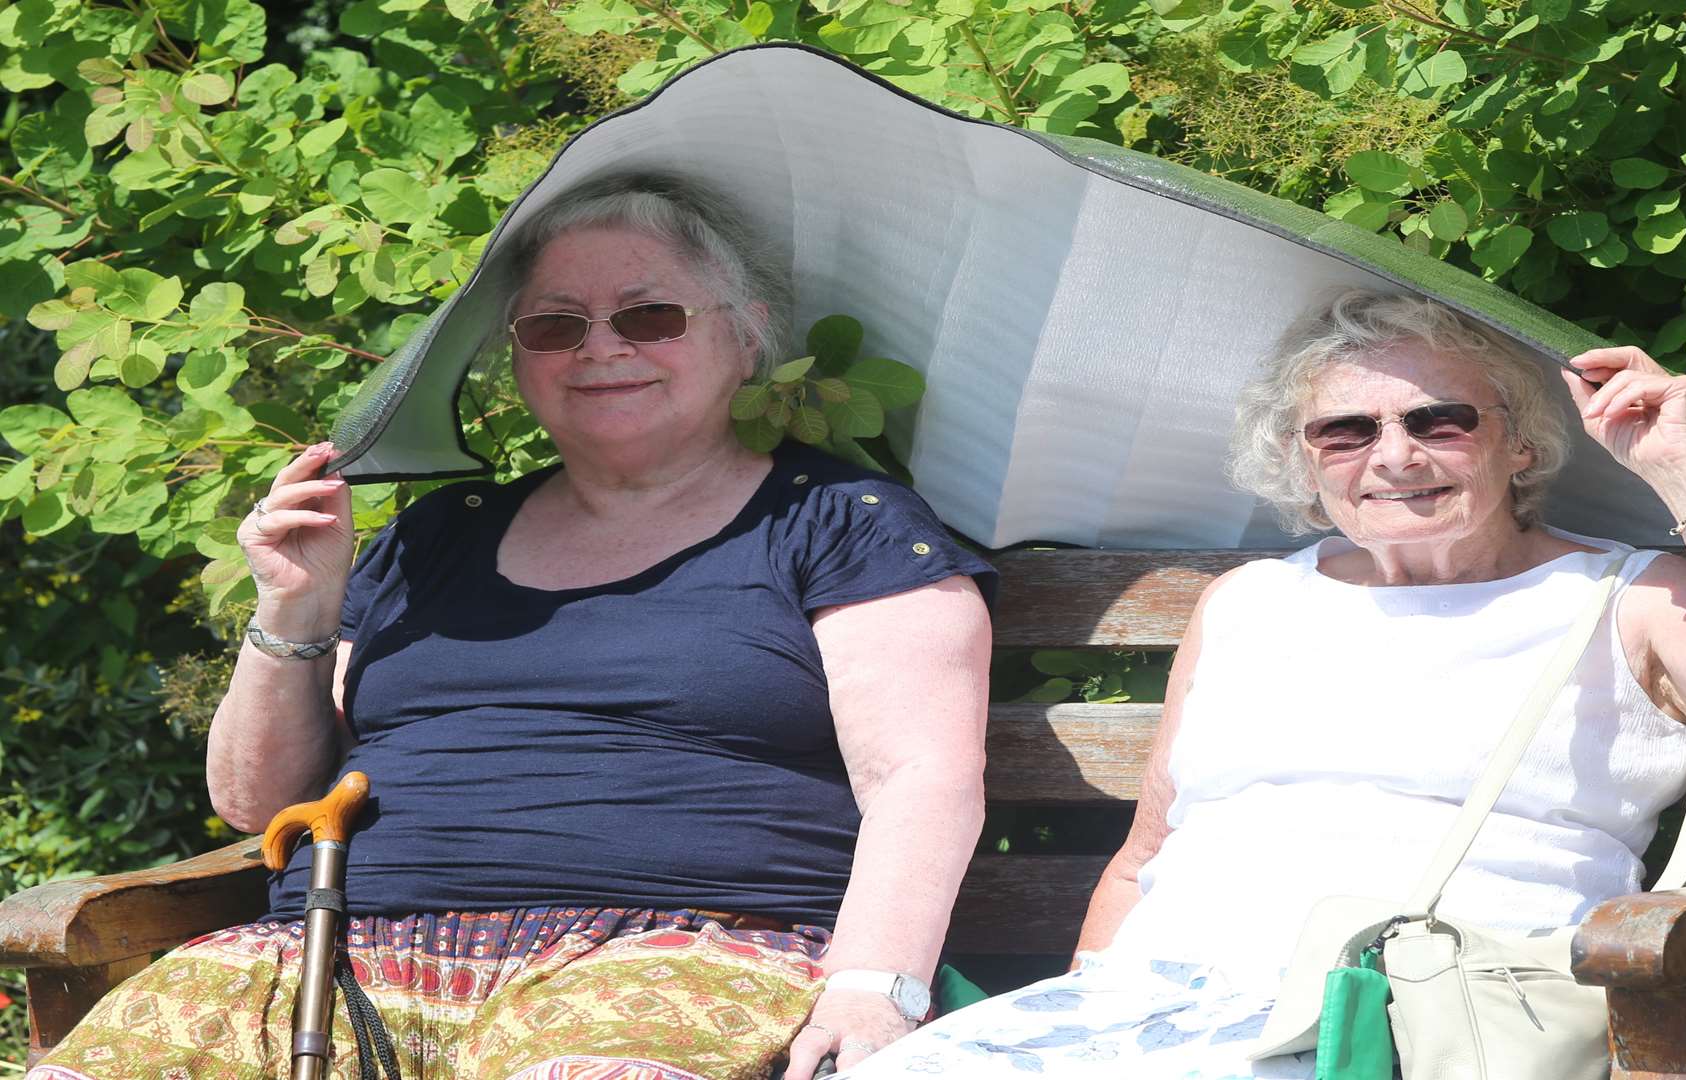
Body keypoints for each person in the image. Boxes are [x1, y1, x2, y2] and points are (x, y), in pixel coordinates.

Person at [30, 176, 996, 1080]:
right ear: (518, 357)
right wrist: (295, 605)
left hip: (679, 955)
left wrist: (876, 988)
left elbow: (920, 776)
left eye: (649, 315)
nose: (600, 346)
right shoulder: (438, 536)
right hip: (335, 953)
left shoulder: (835, 523)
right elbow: (257, 801)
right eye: (555, 325)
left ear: (747, 337)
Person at [839, 290, 1686, 1079]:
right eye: (1348, 431)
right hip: (1156, 1005)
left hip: (1423, 1013)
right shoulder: (1247, 602)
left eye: (1440, 420)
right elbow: (1149, 850)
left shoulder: (1621, 593)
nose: (1395, 456)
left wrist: (1684, 471)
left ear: (1521, 441)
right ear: (1303, 459)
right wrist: (1079, 1013)